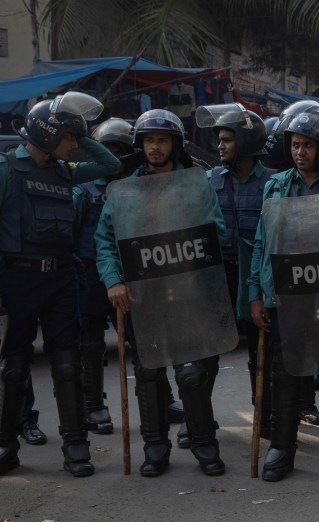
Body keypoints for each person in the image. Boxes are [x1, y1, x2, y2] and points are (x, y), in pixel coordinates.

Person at [96, 109, 228, 477]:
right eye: (149, 140)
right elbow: (105, 240)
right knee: (149, 372)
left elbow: (217, 234)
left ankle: (204, 445)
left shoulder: (195, 184)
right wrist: (113, 280)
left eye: (162, 140)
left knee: (192, 373)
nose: (154, 147)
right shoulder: (124, 191)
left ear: (175, 144)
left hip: (188, 295)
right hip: (143, 300)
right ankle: (155, 449)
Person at [0, 93, 120, 477]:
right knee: (15, 366)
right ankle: (5, 445)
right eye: (69, 138)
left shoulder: (64, 171)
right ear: (48, 134)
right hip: (19, 278)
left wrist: (74, 130)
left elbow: (109, 163)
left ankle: (75, 447)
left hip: (62, 278)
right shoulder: (6, 170)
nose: (74, 147)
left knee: (67, 363)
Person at [249, 108, 319, 482]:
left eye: (308, 145)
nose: (300, 152)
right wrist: (256, 293)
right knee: (286, 374)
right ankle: (282, 448)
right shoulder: (275, 186)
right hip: (285, 298)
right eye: (295, 144)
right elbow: (262, 244)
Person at [195, 103, 276, 447]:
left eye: (227, 139)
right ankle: (197, 421)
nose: (220, 146)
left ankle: (266, 416)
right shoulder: (208, 179)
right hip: (217, 277)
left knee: (262, 351)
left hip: (255, 277)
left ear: (244, 142)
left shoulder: (272, 182)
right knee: (206, 352)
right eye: (220, 140)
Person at [73, 118, 135, 438]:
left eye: (119, 150)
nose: (114, 156)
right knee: (91, 344)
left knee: (141, 341)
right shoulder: (83, 188)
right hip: (90, 277)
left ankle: (159, 399)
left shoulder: (137, 185)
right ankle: (93, 404)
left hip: (130, 276)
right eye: (107, 149)